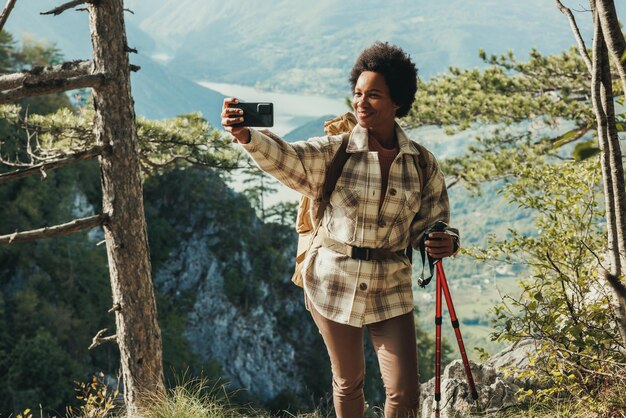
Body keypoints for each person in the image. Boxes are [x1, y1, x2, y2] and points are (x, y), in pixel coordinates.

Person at [221, 41, 459, 418]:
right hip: (332, 278)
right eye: (358, 93)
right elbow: (288, 159)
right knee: (349, 382)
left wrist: (444, 241)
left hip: (390, 282)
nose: (361, 103)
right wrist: (247, 136)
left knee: (404, 392)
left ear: (398, 102)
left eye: (374, 96)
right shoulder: (336, 151)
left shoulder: (421, 164)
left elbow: (433, 223)